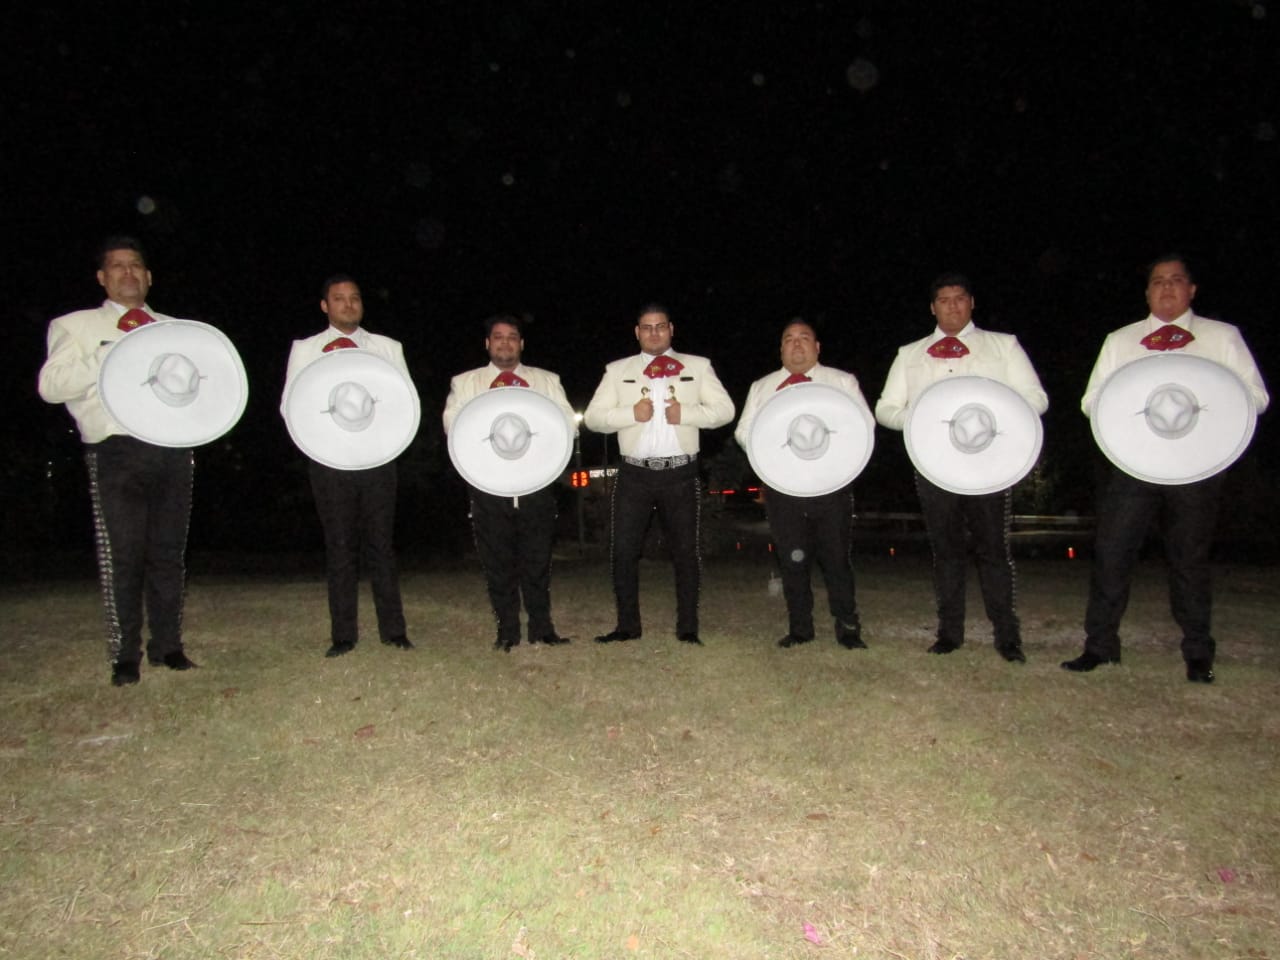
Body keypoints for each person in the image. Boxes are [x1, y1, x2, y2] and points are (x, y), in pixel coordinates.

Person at [1062, 255, 1269, 683]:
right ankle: (1100, 646)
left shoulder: (1222, 337)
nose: (1167, 288)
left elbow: (1255, 397)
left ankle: (1197, 651)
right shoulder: (1121, 340)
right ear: (1147, 293)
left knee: (1189, 559)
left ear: (1192, 290)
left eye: (1176, 281)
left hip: (1195, 468)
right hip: (1133, 465)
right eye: (1158, 282)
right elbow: (1090, 402)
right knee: (1112, 555)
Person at [37, 236, 201, 686]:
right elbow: (51, 387)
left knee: (168, 555)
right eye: (118, 267)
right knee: (123, 556)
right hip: (116, 449)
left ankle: (168, 647)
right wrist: (110, 350)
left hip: (171, 449)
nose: (128, 273)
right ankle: (124, 655)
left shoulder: (175, 328)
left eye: (136, 266)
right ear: (102, 278)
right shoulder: (77, 326)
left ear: (149, 277)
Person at [875, 272, 1048, 663]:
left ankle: (1007, 637)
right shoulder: (910, 353)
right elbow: (886, 409)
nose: (952, 306)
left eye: (959, 298)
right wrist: (922, 420)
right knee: (946, 553)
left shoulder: (1002, 346)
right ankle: (949, 634)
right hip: (934, 467)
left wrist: (992, 415)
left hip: (990, 466)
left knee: (993, 551)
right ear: (932, 307)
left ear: (971, 303)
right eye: (944, 300)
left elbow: (1036, 398)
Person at [584, 303, 735, 645]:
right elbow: (594, 418)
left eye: (660, 326)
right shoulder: (617, 370)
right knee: (623, 551)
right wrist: (629, 414)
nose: (654, 333)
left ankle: (687, 628)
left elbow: (725, 410)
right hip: (633, 474)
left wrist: (688, 413)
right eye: (646, 327)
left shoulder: (697, 367)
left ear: (671, 329)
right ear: (637, 332)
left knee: (685, 552)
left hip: (680, 473)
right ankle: (627, 626)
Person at [281, 275, 414, 658]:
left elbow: (404, 403)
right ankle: (344, 636)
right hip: (329, 460)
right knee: (339, 546)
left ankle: (394, 631)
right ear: (325, 306)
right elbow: (290, 405)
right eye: (339, 299)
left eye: (354, 298)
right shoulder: (305, 349)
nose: (348, 304)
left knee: (382, 546)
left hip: (377, 458)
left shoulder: (388, 347)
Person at [443, 315, 577, 651]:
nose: (505, 343)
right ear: (487, 344)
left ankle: (542, 628)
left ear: (522, 343)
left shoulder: (546, 381)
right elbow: (453, 427)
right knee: (497, 561)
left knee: (537, 560)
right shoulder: (466, 383)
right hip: (488, 485)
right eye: (498, 337)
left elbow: (568, 428)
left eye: (512, 337)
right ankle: (507, 630)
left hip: (536, 483)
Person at [735, 320, 869, 649]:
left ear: (817, 346)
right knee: (792, 559)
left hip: (830, 486)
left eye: (804, 338)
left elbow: (864, 425)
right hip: (783, 488)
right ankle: (800, 628)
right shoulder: (762, 387)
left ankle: (848, 627)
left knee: (836, 558)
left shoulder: (842, 381)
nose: (796, 345)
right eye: (788, 340)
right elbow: (743, 432)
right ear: (781, 349)